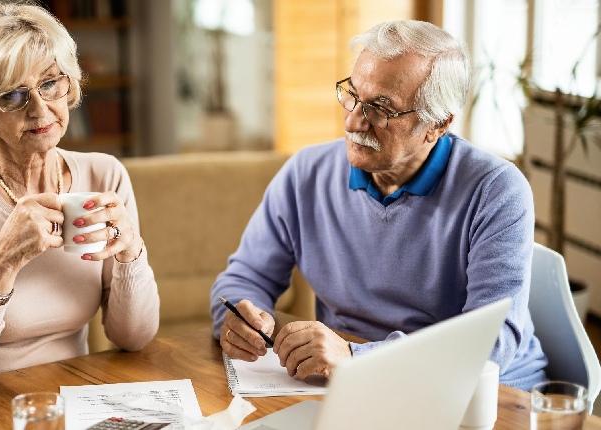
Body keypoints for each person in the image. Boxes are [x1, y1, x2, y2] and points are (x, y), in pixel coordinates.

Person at [210, 20, 547, 391]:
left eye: (382, 108)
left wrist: (356, 357)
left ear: (438, 125)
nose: (354, 120)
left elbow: (489, 344)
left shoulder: (496, 190)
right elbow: (246, 276)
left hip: (477, 392)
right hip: (349, 384)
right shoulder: (306, 173)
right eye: (353, 95)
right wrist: (242, 317)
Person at [0, 1, 158, 391]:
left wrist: (131, 253)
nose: (40, 109)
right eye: (12, 95)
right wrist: (0, 264)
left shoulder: (103, 176)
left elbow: (133, 338)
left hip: (63, 398)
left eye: (49, 83)